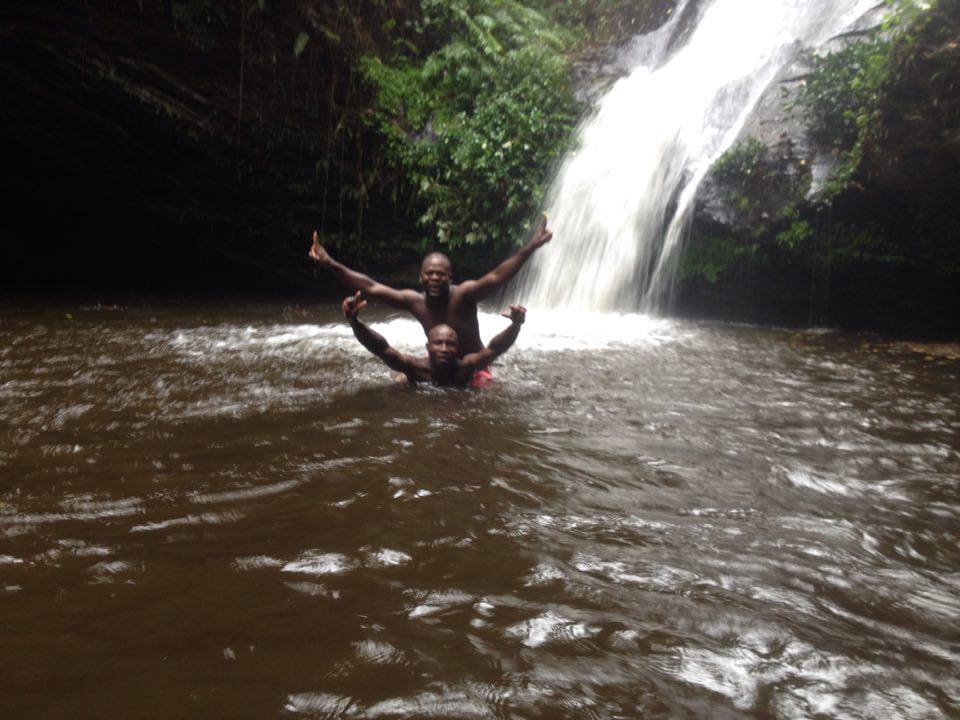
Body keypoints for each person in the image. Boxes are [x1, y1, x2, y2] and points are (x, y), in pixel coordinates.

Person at [309, 215, 551, 360]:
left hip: (471, 365)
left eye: (441, 274)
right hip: (437, 363)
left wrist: (530, 247)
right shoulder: (414, 301)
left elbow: (499, 276)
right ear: (421, 278)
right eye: (430, 273)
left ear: (450, 277)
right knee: (399, 379)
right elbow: (371, 286)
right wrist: (330, 263)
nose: (435, 277)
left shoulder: (466, 294)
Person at [342, 291, 526, 388]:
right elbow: (381, 348)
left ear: (458, 348)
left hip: (461, 382)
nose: (444, 348)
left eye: (450, 344)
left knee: (489, 384)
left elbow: (495, 349)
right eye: (438, 344)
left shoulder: (465, 367)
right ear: (427, 347)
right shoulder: (415, 367)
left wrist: (516, 325)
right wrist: (354, 321)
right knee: (398, 381)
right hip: (415, 380)